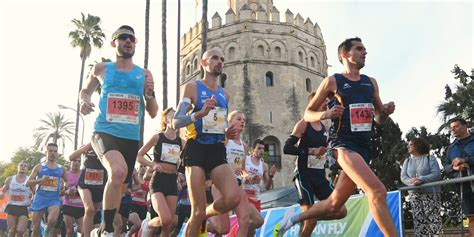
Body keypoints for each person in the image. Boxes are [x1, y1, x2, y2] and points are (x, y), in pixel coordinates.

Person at [276, 37, 398, 236]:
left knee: (335, 206)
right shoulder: (333, 81)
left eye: (365, 49)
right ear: (344, 55)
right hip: (343, 146)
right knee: (377, 191)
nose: (364, 52)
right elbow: (308, 113)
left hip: (364, 147)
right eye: (359, 49)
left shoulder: (370, 82)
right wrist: (326, 114)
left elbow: (378, 118)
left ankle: (293, 218)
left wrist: (385, 112)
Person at [80, 25, 158, 236]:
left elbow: (153, 112)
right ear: (114, 43)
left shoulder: (144, 74)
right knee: (118, 172)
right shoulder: (102, 68)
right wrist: (84, 101)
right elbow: (86, 91)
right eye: (123, 37)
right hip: (104, 132)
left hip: (130, 139)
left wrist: (149, 95)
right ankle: (105, 229)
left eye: (132, 38)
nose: (128, 41)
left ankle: (104, 227)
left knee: (119, 185)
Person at [173, 48, 241, 236]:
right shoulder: (192, 87)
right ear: (203, 63)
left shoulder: (224, 95)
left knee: (233, 197)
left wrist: (227, 132)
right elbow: (176, 121)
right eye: (214, 58)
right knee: (196, 211)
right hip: (196, 149)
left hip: (217, 149)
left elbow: (216, 125)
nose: (219, 61)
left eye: (222, 59)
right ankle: (200, 215)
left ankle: (205, 213)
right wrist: (199, 113)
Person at [283, 93, 347, 237]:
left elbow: (326, 153)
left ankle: (308, 216)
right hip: (304, 175)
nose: (325, 104)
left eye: (326, 101)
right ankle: (308, 217)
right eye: (322, 101)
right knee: (311, 223)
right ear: (314, 104)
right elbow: (287, 148)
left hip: (319, 176)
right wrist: (311, 151)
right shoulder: (304, 123)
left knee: (341, 210)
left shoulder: (325, 128)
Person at [210, 111, 264, 237]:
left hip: (237, 184)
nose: (242, 121)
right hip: (221, 184)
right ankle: (203, 217)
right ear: (229, 122)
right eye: (238, 119)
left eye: (243, 120)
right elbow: (214, 158)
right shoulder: (225, 139)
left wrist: (249, 177)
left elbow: (242, 169)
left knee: (247, 221)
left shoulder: (243, 146)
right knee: (223, 229)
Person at [136, 107, 183, 237]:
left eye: (178, 116)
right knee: (166, 219)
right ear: (166, 120)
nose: (175, 118)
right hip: (158, 181)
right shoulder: (157, 137)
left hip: (172, 181)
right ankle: (147, 224)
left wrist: (181, 175)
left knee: (170, 223)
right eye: (172, 116)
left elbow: (186, 163)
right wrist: (153, 164)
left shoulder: (182, 142)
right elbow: (139, 155)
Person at [401, 137, 442, 236]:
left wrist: (421, 179)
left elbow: (436, 174)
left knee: (433, 220)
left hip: (431, 193)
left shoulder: (430, 158)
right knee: (418, 221)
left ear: (418, 145)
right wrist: (412, 181)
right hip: (414, 195)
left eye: (410, 144)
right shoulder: (407, 161)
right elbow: (403, 177)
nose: (408, 146)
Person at [27, 143, 68, 237]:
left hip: (54, 198)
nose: (53, 153)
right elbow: (28, 183)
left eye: (55, 151)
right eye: (50, 151)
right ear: (46, 152)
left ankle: (47, 230)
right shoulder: (39, 167)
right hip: (40, 197)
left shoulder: (61, 168)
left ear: (57, 153)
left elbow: (67, 181)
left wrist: (65, 188)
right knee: (36, 227)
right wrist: (40, 180)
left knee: (52, 220)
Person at [444, 117, 474, 235]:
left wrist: (466, 160)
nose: (453, 130)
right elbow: (446, 165)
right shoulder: (451, 147)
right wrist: (454, 168)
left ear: (465, 126)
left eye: (456, 126)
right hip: (463, 186)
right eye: (451, 128)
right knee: (471, 217)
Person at [70, 144, 106, 237]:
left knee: (91, 215)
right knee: (89, 209)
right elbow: (71, 157)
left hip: (100, 184)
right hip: (85, 182)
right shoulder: (88, 146)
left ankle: (83, 234)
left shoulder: (108, 146)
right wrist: (88, 146)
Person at [0, 161, 34, 237]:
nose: (23, 167)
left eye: (25, 166)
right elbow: (3, 191)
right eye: (21, 165)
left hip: (23, 207)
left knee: (20, 230)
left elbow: (35, 193)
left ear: (27, 169)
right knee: (12, 230)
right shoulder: (10, 179)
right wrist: (2, 194)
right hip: (11, 206)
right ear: (18, 167)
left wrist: (32, 198)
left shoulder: (30, 180)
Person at [242, 139, 277, 213]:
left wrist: (271, 176)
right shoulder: (245, 159)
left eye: (263, 149)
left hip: (256, 198)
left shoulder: (264, 166)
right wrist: (249, 177)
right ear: (252, 149)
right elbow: (240, 171)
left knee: (257, 222)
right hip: (243, 196)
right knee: (245, 221)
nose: (261, 150)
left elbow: (266, 187)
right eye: (259, 148)